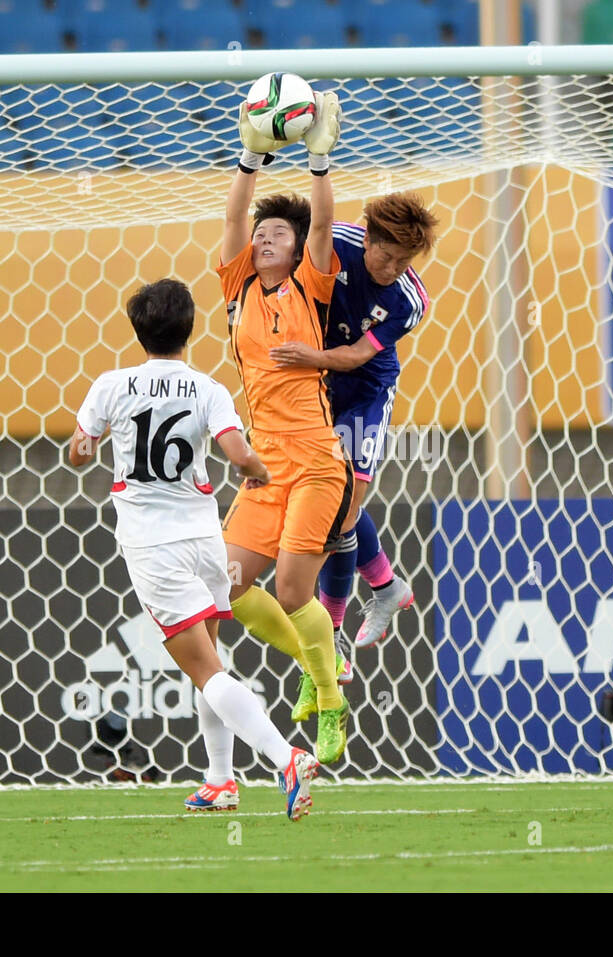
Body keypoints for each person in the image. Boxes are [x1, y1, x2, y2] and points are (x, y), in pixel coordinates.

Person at [68, 278, 318, 821]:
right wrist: (256, 473)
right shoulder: (208, 390)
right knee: (212, 663)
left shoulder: (111, 386)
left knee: (206, 672)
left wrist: (86, 444)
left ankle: (286, 757)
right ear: (190, 329)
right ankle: (220, 780)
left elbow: (79, 452)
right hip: (207, 542)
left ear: (138, 331)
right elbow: (238, 452)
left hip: (153, 546)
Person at [212, 88, 352, 774]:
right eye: (262, 234)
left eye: (279, 235)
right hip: (263, 466)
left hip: (319, 463)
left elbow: (323, 231)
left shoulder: (310, 286)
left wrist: (319, 163)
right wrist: (250, 157)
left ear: (297, 252)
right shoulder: (238, 288)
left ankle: (330, 700)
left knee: (296, 594)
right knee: (230, 589)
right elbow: (236, 213)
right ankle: (320, 666)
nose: (265, 237)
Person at [270, 192, 438, 698]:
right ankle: (383, 590)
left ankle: (349, 620)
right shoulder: (333, 242)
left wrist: (307, 355)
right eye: (385, 256)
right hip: (316, 383)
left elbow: (356, 356)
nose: (392, 269)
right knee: (329, 510)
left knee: (343, 511)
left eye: (404, 261)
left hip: (363, 389)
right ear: (368, 238)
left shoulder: (410, 301)